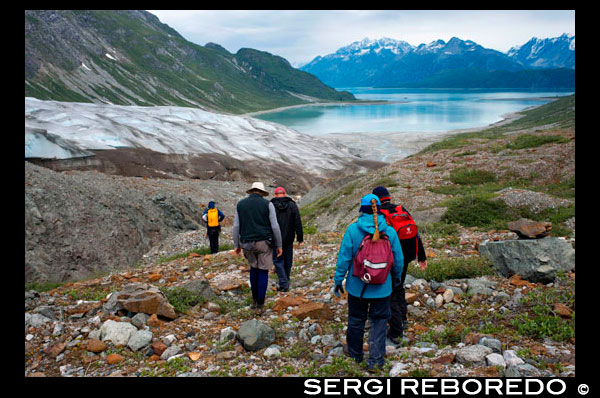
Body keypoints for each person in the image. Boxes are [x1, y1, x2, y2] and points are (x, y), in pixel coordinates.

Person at [333, 194, 404, 373]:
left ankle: (356, 354)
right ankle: (376, 360)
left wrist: (338, 279)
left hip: (358, 287)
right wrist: (395, 280)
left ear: (361, 209)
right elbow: (398, 260)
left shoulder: (352, 230)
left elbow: (344, 258)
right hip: (382, 287)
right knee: (379, 322)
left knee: (356, 320)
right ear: (379, 210)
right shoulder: (389, 231)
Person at [372, 186, 428, 345]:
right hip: (407, 255)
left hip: (388, 258)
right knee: (399, 286)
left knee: (387, 290)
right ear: (388, 197)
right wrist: (421, 256)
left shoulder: (378, 215)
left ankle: (391, 323)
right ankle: (403, 319)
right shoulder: (400, 209)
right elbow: (415, 233)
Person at [233, 182, 283, 312]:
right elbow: (275, 226)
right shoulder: (268, 204)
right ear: (262, 192)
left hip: (246, 243)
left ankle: (254, 301)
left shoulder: (241, 204)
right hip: (264, 243)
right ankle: (260, 304)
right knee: (263, 271)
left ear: (252, 191)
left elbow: (236, 226)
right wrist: (279, 245)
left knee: (253, 269)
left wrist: (236, 245)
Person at [271, 186, 304, 292]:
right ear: (285, 194)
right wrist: (300, 238)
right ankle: (286, 279)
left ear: (275, 195)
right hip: (289, 237)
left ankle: (283, 282)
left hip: (275, 238)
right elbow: (297, 222)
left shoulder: (271, 205)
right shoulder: (292, 205)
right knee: (288, 259)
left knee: (278, 260)